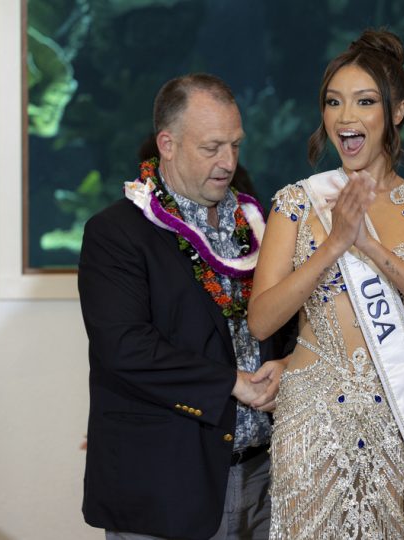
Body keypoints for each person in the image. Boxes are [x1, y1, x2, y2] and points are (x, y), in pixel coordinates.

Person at [248, 29, 404, 539]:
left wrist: (372, 249)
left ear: (396, 112)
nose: (345, 117)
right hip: (311, 422)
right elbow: (262, 318)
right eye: (334, 103)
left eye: (364, 101)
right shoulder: (298, 202)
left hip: (398, 422)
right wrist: (334, 244)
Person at [79, 73, 296, 540]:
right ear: (168, 144)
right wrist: (230, 383)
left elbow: (289, 318)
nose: (228, 162)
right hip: (166, 486)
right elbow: (125, 347)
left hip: (267, 479)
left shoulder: (262, 225)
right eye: (212, 147)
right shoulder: (116, 234)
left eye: (236, 145)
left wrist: (287, 363)